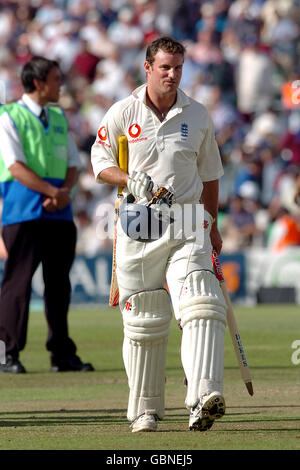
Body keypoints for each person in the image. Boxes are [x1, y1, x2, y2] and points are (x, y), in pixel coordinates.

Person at [91, 37, 227, 432]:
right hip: (139, 225)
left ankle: (203, 398)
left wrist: (212, 223)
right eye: (165, 67)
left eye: (178, 68)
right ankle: (146, 410)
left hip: (187, 223)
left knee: (202, 303)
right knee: (145, 321)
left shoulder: (197, 114)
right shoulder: (122, 111)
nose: (173, 74)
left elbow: (210, 175)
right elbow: (99, 164)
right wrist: (127, 177)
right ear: (147, 68)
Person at [0, 56, 94, 374]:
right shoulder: (8, 116)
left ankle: (62, 354)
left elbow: (73, 164)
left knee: (59, 286)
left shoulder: (57, 116)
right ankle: (5, 354)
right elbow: (14, 167)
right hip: (23, 211)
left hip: (58, 213)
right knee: (17, 285)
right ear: (39, 83)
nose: (61, 84)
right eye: (56, 79)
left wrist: (63, 192)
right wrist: (54, 193)